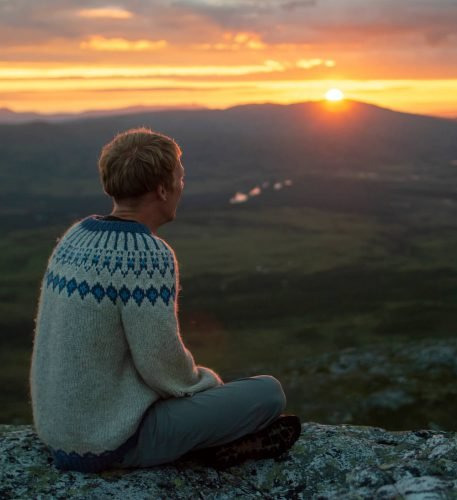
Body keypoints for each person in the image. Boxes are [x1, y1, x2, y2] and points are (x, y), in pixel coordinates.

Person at [29, 127, 300, 472]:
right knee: (268, 393)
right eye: (179, 178)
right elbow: (162, 365)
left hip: (57, 430)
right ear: (162, 189)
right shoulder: (146, 255)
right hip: (111, 441)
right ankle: (215, 444)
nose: (181, 187)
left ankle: (210, 440)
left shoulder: (74, 236)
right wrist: (207, 385)